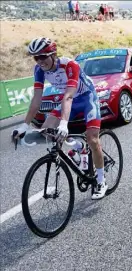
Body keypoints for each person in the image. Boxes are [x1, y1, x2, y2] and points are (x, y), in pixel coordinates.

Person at [12, 37, 109, 200]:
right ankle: (78, 146)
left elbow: (69, 96)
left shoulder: (69, 65)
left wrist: (64, 124)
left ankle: (100, 180)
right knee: (47, 130)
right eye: (36, 57)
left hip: (86, 98)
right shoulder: (39, 70)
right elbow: (36, 99)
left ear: (53, 54)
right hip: (67, 100)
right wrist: (24, 126)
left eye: (43, 56)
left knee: (92, 139)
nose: (39, 61)